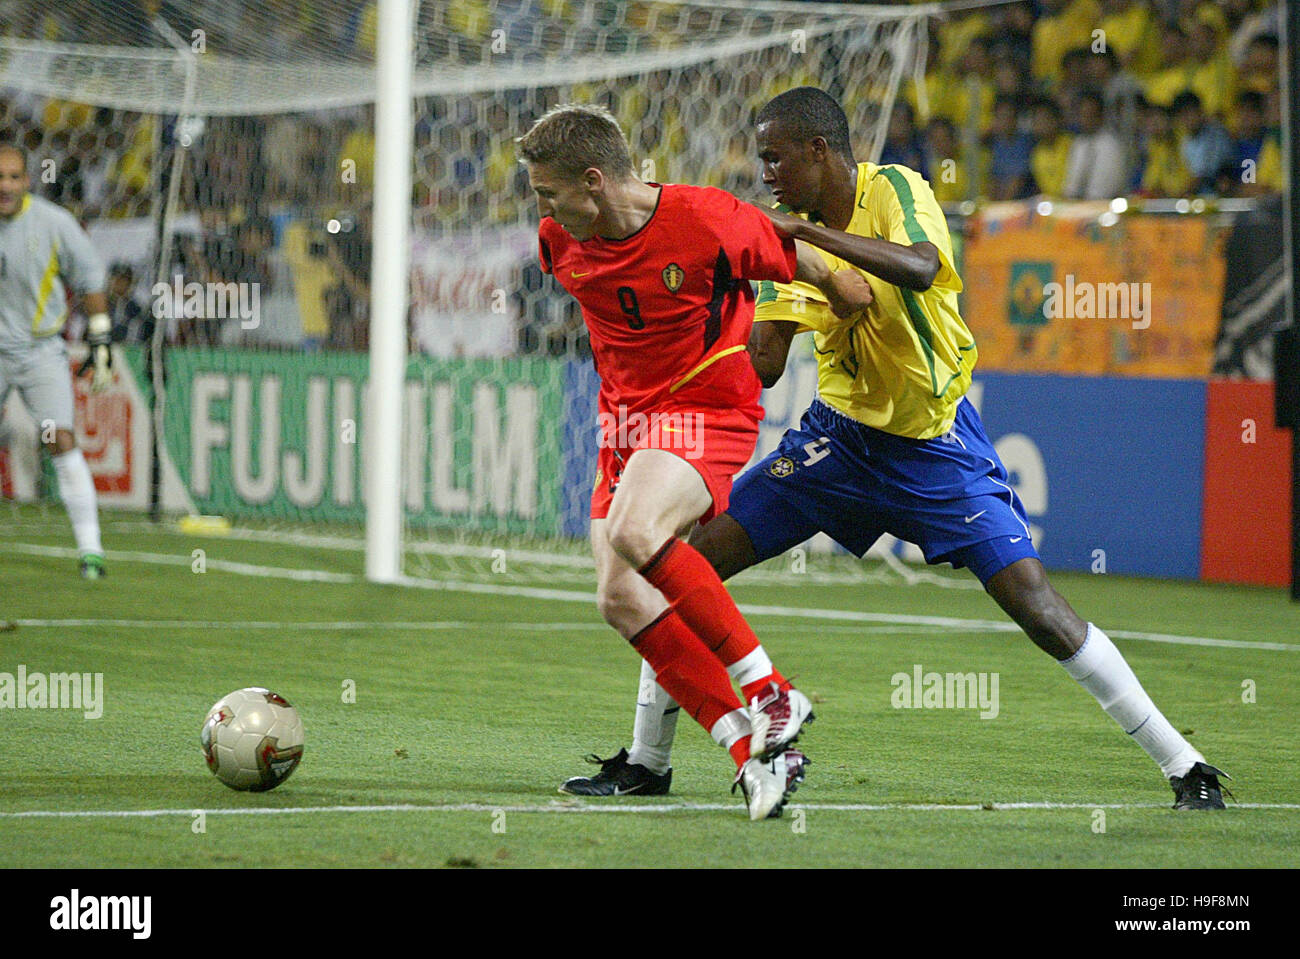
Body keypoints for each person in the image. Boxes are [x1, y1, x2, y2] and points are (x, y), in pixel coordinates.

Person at [560, 87, 1231, 812]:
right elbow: (763, 366)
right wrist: (734, 295)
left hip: (934, 445)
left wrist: (808, 243)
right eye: (762, 162)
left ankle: (1184, 762)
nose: (768, 176)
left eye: (776, 158)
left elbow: (916, 267)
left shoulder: (897, 190)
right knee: (678, 563)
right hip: (835, 443)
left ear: (820, 151)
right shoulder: (786, 244)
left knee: (1037, 606)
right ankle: (648, 759)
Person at [516, 103, 871, 820]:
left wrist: (847, 293)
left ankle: (773, 692)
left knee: (636, 531)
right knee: (620, 596)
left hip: (706, 410)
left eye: (549, 193)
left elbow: (809, 261)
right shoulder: (561, 240)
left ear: (594, 181)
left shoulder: (708, 220)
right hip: (624, 428)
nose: (542, 209)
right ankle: (753, 755)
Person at [0, 143, 110, 578]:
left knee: (58, 438)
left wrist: (100, 342)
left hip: (39, 351)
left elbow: (91, 278)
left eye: (12, 177)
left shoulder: (53, 223)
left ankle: (91, 552)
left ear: (26, 181)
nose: (4, 186)